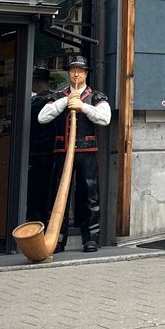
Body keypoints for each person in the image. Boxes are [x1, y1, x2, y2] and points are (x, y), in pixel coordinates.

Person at [37, 55, 111, 252]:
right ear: (69, 73)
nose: (76, 74)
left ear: (86, 73)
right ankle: (57, 238)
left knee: (89, 195)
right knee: (59, 194)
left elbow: (105, 119)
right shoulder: (57, 96)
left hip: (86, 152)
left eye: (80, 70)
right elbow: (42, 117)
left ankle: (91, 238)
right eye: (72, 70)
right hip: (62, 152)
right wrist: (66, 102)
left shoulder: (96, 96)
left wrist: (83, 107)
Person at [28, 66, 57, 218]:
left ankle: (36, 217)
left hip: (37, 150)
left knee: (36, 188)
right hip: (51, 149)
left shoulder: (36, 102)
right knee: (47, 187)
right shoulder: (54, 99)